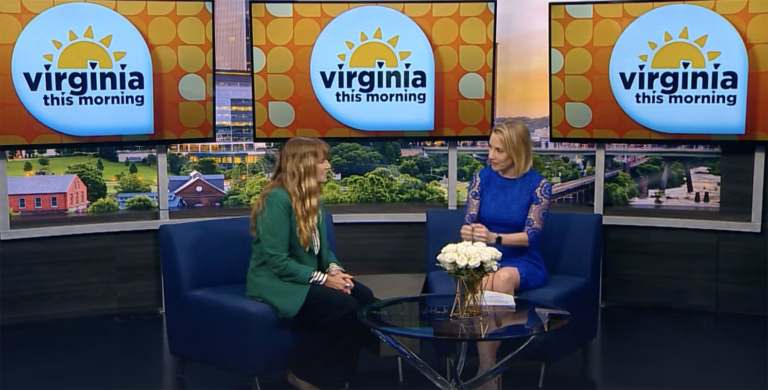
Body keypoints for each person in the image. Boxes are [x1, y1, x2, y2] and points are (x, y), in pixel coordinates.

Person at [247, 137, 378, 390]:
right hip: (277, 281)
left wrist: (336, 271)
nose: (328, 166)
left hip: (307, 275)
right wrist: (325, 280)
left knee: (363, 297)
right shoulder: (277, 199)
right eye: (322, 161)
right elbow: (277, 261)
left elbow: (324, 250)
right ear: (304, 166)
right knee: (343, 307)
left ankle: (345, 375)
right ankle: (304, 373)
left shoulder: (313, 197)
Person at [459, 121, 552, 389]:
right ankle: (490, 368)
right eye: (490, 147)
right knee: (484, 280)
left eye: (499, 150)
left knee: (499, 281)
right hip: (486, 257)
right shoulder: (482, 178)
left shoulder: (538, 185)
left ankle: (486, 370)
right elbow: (470, 221)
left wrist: (494, 237)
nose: (491, 155)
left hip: (523, 260)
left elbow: (530, 236)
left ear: (517, 151)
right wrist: (470, 233)